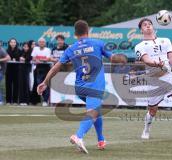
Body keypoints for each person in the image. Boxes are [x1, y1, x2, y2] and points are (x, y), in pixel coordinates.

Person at [37, 20, 126, 153]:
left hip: (80, 88)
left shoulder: (71, 48)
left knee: (96, 110)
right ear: (88, 30)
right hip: (94, 86)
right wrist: (122, 59)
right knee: (93, 111)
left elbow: (56, 67)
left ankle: (101, 140)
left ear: (75, 33)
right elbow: (113, 58)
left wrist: (45, 82)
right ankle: (78, 136)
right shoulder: (98, 43)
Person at [31, 38, 51, 106]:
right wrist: (41, 60)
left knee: (45, 84)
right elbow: (33, 58)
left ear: (45, 43)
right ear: (38, 43)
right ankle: (41, 99)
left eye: (43, 42)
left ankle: (45, 100)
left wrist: (39, 59)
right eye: (40, 42)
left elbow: (48, 59)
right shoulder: (35, 49)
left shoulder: (48, 50)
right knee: (39, 84)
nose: (41, 43)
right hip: (38, 69)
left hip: (46, 69)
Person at [5, 38, 22, 104]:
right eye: (11, 42)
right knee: (8, 86)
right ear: (9, 43)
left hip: (17, 70)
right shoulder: (6, 51)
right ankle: (8, 101)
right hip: (8, 70)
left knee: (16, 86)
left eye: (14, 42)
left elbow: (21, 58)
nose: (13, 43)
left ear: (16, 43)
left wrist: (18, 59)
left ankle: (15, 101)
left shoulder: (19, 51)